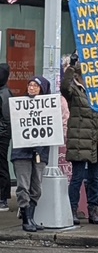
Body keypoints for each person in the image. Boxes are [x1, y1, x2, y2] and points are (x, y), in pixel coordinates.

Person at [61, 53, 98, 226]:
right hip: (80, 140)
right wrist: (71, 67)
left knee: (95, 178)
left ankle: (93, 210)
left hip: (96, 139)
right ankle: (72, 209)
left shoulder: (97, 91)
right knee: (78, 177)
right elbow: (64, 87)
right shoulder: (74, 90)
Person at [11, 76, 51, 232]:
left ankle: (31, 217)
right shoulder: (20, 105)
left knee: (36, 187)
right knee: (23, 185)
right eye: (30, 85)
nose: (32, 88)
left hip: (40, 152)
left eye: (36, 85)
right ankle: (25, 219)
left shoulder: (49, 107)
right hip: (22, 152)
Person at [0, 64, 13, 212]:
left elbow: (6, 119)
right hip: (3, 134)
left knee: (1, 165)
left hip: (2, 136)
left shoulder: (4, 94)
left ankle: (3, 197)